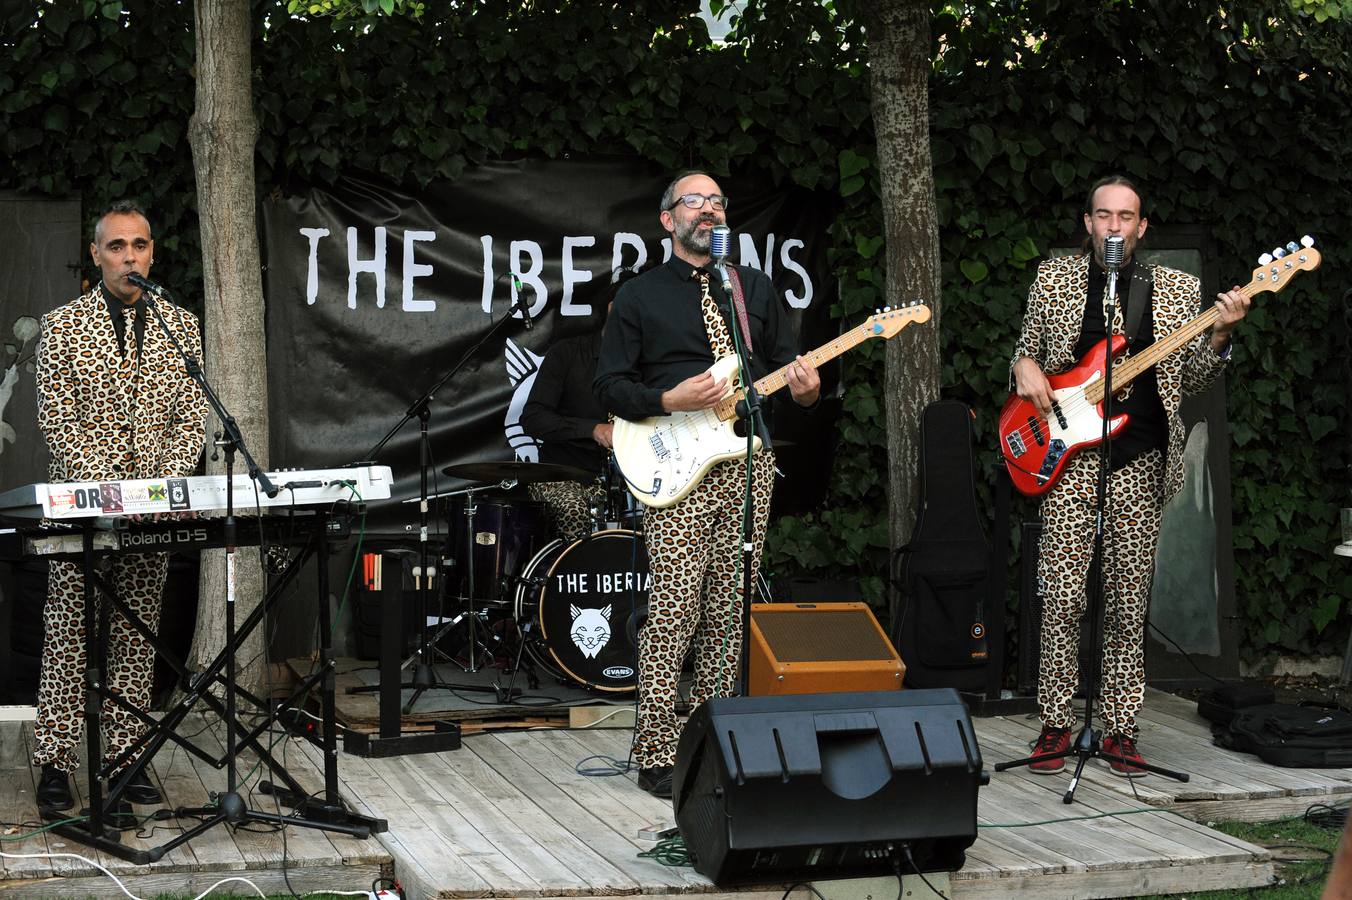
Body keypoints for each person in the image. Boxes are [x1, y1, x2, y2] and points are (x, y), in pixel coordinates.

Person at [1011, 175, 1249, 777]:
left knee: (1125, 599)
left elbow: (1190, 380)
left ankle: (1119, 729)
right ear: (1087, 222)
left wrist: (1220, 333)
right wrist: (1024, 367)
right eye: (1103, 215)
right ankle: (1055, 723)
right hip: (1068, 459)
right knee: (1060, 597)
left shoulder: (1175, 291)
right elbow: (1025, 349)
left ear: (1141, 228)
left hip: (1139, 463)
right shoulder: (1053, 278)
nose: (1114, 226)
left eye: (1126, 217)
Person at [594, 170, 819, 798]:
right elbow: (608, 386)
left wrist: (807, 390)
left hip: (746, 463)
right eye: (695, 201)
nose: (710, 210)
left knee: (730, 608)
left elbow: (781, 373)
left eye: (719, 201)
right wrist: (668, 396)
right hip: (676, 460)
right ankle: (657, 751)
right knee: (675, 605)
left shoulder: (754, 290)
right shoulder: (640, 297)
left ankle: (709, 737)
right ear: (668, 220)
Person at [33, 200, 208, 811]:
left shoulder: (179, 326)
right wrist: (111, 494)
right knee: (70, 633)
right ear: (96, 254)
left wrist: (159, 489)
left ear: (153, 252)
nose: (129, 256)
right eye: (116, 246)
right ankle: (55, 763)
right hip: (85, 512)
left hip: (152, 514)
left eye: (138, 245)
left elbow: (192, 422)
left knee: (137, 636)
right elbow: (58, 423)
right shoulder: (61, 328)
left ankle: (125, 760)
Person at [521, 272, 637, 544]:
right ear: (612, 308)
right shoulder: (568, 354)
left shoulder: (648, 363)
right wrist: (592, 429)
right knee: (574, 511)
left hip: (634, 484)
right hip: (563, 476)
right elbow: (533, 417)